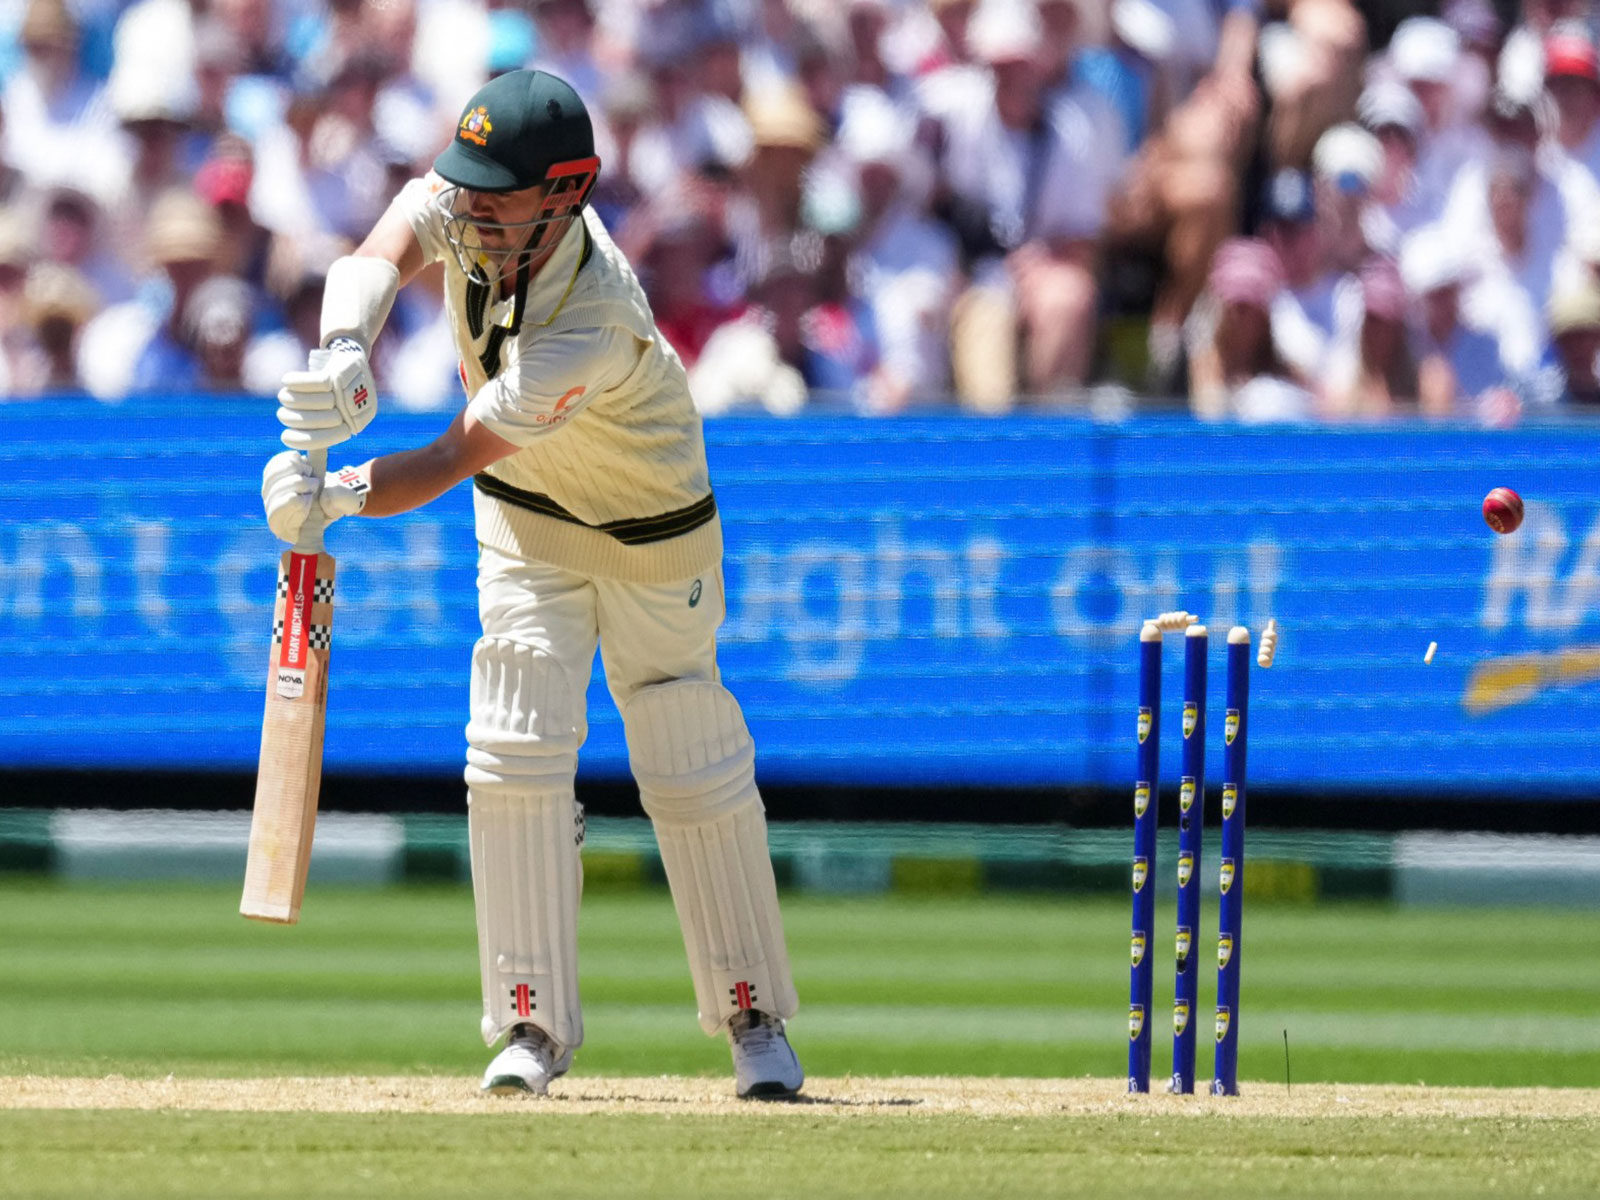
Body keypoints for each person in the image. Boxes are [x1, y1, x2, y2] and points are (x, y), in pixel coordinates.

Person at [258, 69, 804, 1100]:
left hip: (653, 537)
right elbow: (377, 253)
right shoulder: (471, 201)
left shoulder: (589, 320)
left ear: (564, 194)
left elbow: (447, 457)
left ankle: (753, 1019)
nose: (464, 211)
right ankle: (527, 1028)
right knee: (509, 751)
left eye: (492, 198)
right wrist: (340, 352)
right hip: (525, 524)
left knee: (687, 757)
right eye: (461, 188)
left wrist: (330, 497)